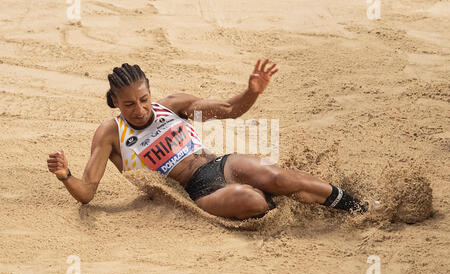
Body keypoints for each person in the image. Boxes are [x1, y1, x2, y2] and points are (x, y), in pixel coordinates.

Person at [47, 59, 373, 220]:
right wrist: (65, 176)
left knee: (278, 177)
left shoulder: (173, 106)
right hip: (196, 190)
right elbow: (87, 192)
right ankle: (284, 196)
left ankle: (360, 207)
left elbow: (229, 109)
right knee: (254, 201)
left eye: (144, 99)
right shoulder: (110, 134)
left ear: (150, 92)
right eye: (129, 104)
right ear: (116, 102)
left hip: (221, 164)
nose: (140, 109)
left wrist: (251, 92)